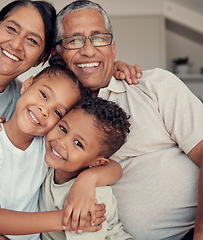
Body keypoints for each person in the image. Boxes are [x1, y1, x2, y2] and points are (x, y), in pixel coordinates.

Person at [0, 0, 140, 238]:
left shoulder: (32, 112)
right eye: (11, 28)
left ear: (43, 57)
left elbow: (91, 146)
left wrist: (110, 69)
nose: (16, 44)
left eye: (32, 41)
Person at [52, 1, 203, 239]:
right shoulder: (53, 113)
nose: (88, 50)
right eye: (74, 40)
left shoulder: (155, 86)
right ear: (58, 54)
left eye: (98, 37)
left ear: (112, 48)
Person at [0, 61, 116, 240]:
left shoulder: (48, 146)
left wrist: (88, 179)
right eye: (44, 95)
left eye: (57, 112)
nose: (45, 110)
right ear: (27, 85)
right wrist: (67, 219)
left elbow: (113, 168)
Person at [39, 96, 134, 240]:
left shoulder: (92, 201)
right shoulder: (50, 161)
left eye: (78, 143)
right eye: (63, 128)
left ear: (97, 163)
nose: (61, 142)